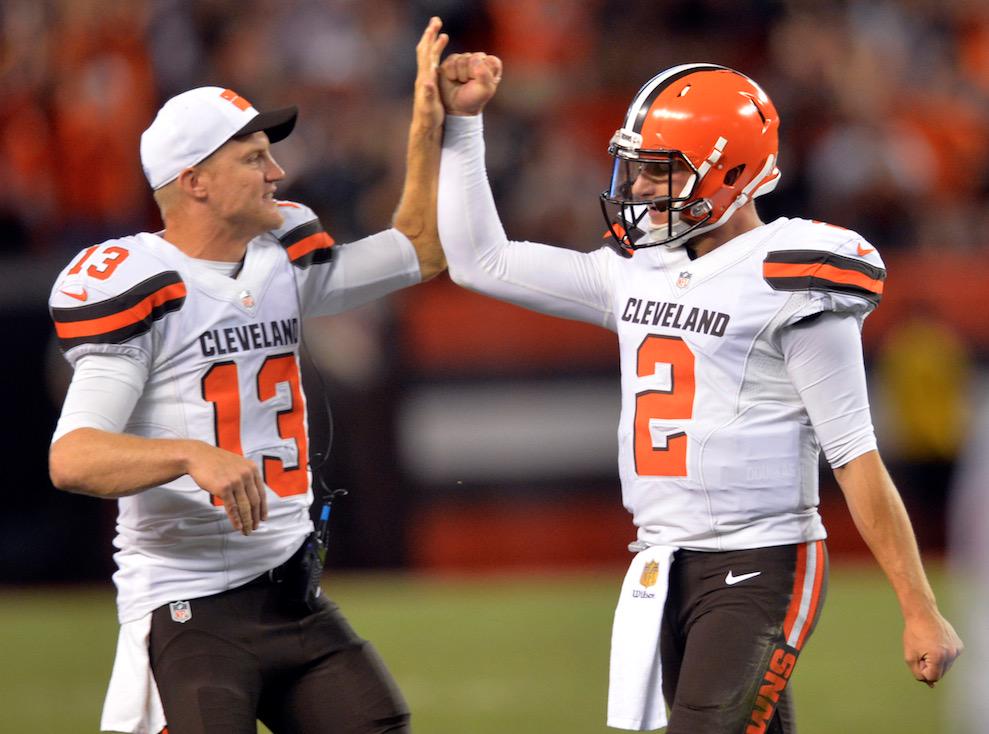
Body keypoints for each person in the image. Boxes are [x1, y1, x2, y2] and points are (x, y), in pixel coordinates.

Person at [435, 56, 962, 733]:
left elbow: (855, 456)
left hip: (763, 559)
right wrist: (464, 125)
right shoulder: (636, 272)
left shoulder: (789, 278)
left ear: (730, 172)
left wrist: (918, 607)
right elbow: (481, 261)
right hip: (662, 564)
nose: (637, 186)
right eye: (636, 168)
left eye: (660, 170)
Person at [46, 18, 449, 734]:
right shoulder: (145, 284)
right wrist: (188, 454)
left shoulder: (280, 256)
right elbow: (72, 457)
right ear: (194, 181)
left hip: (292, 595)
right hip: (188, 609)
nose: (277, 172)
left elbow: (420, 249)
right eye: (254, 157)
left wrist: (429, 122)